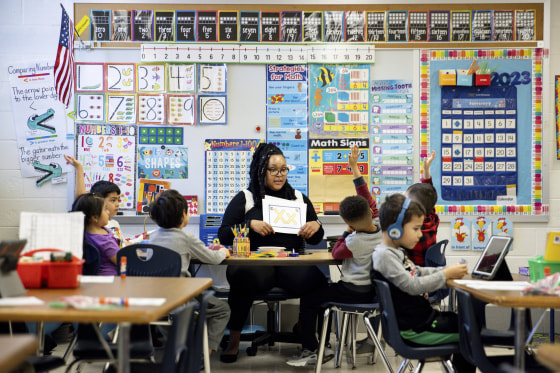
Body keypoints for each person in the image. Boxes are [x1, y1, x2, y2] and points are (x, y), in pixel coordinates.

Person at [217, 142, 327, 363]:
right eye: (273, 170)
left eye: (283, 169)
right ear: (261, 170)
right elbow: (223, 234)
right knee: (241, 277)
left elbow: (316, 237)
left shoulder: (298, 198)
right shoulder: (246, 198)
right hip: (256, 266)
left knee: (318, 282)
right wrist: (250, 226)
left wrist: (317, 227)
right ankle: (234, 341)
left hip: (290, 263)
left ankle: (305, 334)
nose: (279, 175)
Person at [287, 145, 381, 367]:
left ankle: (312, 349)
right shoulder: (381, 226)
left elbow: (337, 253)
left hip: (354, 292)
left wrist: (345, 233)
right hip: (374, 292)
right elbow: (365, 194)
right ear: (370, 211)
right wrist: (354, 167)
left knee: (310, 298)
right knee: (320, 293)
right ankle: (322, 343)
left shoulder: (354, 241)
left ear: (349, 224)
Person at [372, 193, 474, 373]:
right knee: (470, 331)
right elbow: (412, 285)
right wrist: (445, 275)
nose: (420, 234)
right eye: (416, 228)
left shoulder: (394, 252)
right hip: (413, 329)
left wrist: (447, 272)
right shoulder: (384, 256)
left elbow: (417, 272)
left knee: (467, 322)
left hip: (419, 321)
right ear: (395, 228)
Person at [149, 189, 231, 355]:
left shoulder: (152, 237)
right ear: (183, 215)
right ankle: (204, 352)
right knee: (222, 309)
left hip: (157, 297)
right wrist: (224, 252)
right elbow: (214, 258)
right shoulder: (186, 237)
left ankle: (178, 346)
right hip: (181, 296)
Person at [65, 155, 125, 246]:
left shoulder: (115, 223)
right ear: (98, 202)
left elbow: (122, 244)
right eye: (113, 200)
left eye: (118, 200)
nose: (117, 204)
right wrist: (79, 168)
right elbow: (81, 199)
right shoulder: (95, 225)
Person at [405, 150, 439, 266]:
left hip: (415, 272)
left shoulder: (412, 230)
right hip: (429, 269)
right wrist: (426, 170)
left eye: (406, 201)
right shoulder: (432, 217)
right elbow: (428, 194)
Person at [71, 193, 118, 276]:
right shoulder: (104, 240)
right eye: (105, 209)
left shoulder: (83, 233)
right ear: (95, 217)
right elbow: (121, 261)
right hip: (110, 279)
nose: (108, 212)